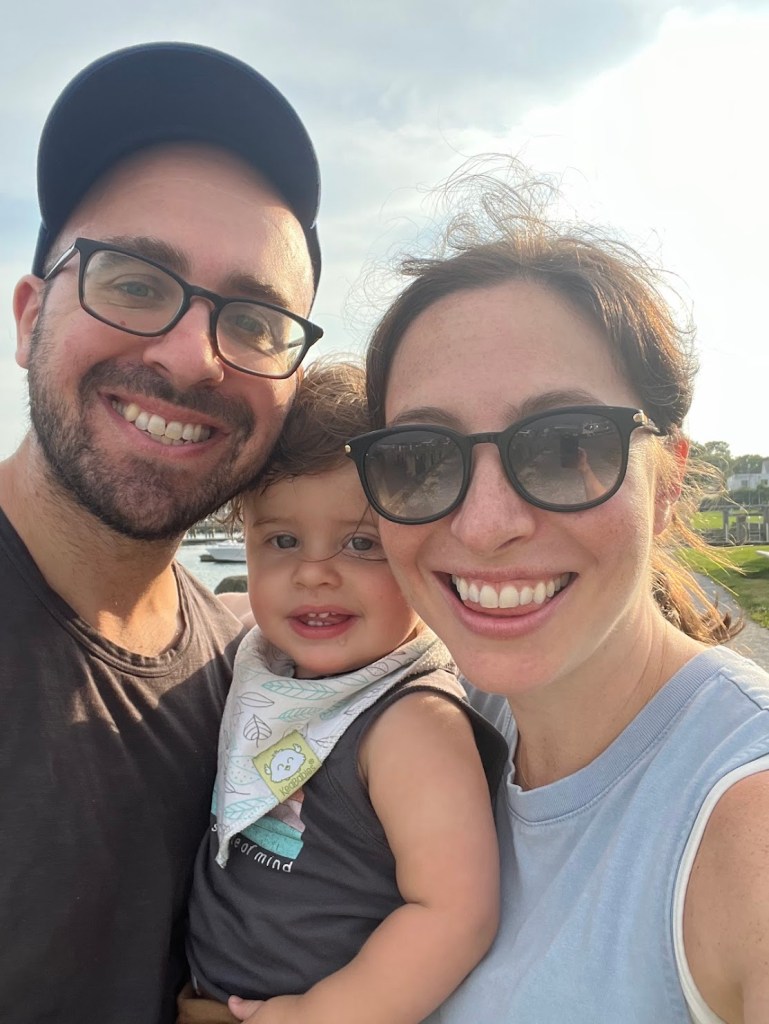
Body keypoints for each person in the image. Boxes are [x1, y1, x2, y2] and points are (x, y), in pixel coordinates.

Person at [344, 167, 769, 1022]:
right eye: (420, 459)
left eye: (565, 447)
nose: (483, 525)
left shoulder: (741, 823)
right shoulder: (455, 715)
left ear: (666, 481)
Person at [1, 42, 323, 1023]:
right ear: (29, 316)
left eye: (256, 321)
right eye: (136, 282)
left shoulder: (256, 672)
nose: (192, 359)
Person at [181, 361, 507, 1024]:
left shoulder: (413, 721)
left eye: (361, 543)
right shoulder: (267, 663)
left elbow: (456, 912)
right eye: (281, 540)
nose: (313, 574)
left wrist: (319, 1014)